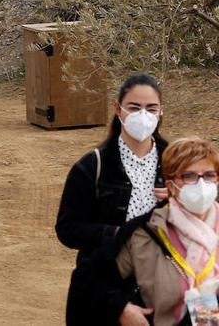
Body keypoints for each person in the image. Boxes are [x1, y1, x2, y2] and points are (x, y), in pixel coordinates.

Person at [56, 73, 169, 325]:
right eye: (134, 107)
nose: (143, 115)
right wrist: (117, 234)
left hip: (164, 288)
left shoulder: (176, 166)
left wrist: (180, 200)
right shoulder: (92, 166)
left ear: (161, 111)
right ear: (118, 109)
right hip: (105, 287)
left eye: (151, 108)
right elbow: (67, 229)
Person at [94, 137, 219, 326]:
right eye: (189, 176)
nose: (201, 185)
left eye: (209, 175)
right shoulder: (144, 233)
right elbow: (94, 280)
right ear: (171, 186)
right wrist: (121, 308)